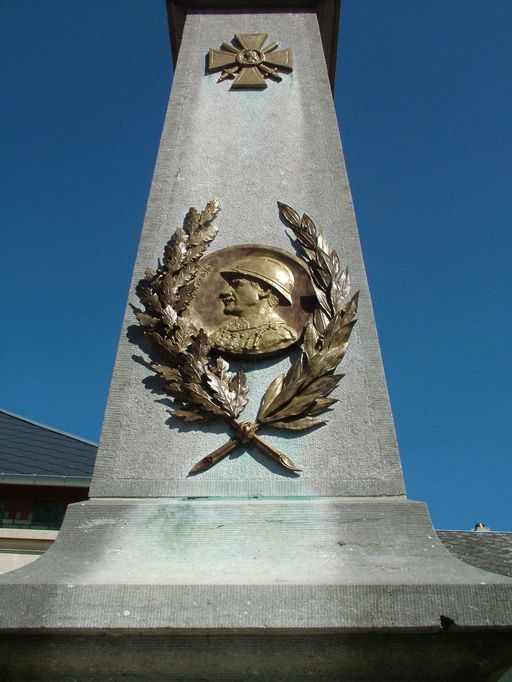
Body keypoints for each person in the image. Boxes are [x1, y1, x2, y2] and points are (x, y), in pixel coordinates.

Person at [211, 255, 298, 354]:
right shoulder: (219, 335)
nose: (225, 292)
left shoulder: (282, 335)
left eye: (237, 285)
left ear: (264, 290)